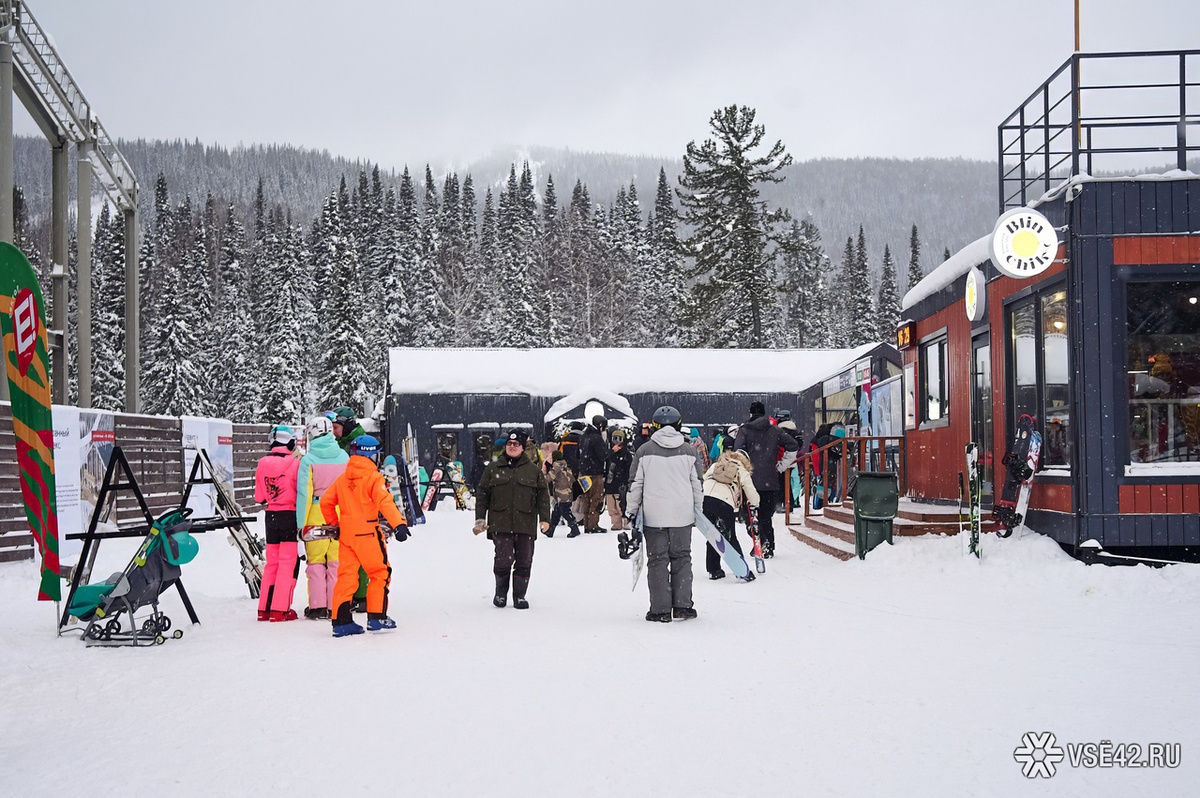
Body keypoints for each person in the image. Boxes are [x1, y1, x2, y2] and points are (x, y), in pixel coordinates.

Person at [320, 434, 407, 637]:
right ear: (371, 456)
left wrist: (334, 524)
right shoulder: (373, 478)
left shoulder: (342, 479)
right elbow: (384, 501)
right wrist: (399, 524)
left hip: (347, 535)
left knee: (346, 577)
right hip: (368, 533)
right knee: (379, 573)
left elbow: (325, 502)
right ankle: (377, 617)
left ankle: (341, 622)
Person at [625, 405, 703, 623]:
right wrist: (698, 511)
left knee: (657, 560)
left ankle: (659, 610)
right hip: (682, 515)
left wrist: (631, 511)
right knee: (682, 558)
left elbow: (636, 485)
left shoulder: (644, 451)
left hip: (654, 516)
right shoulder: (690, 451)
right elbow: (697, 484)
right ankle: (683, 606)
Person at [474, 430, 551, 609]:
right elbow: (482, 493)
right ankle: (500, 594)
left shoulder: (533, 470)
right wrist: (480, 518)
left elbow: (543, 496)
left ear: (523, 447)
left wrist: (545, 519)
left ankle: (519, 596)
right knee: (503, 559)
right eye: (509, 444)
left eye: (516, 444)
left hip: (526, 522)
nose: (512, 447)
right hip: (500, 522)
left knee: (525, 560)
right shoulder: (493, 468)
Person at [295, 416, 349, 620]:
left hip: (316, 512)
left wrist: (301, 525)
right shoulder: (344, 457)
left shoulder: (308, 461)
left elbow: (304, 495)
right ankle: (336, 604)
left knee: (316, 561)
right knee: (336, 560)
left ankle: (317, 607)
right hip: (338, 511)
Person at [734, 401, 799, 558]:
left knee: (749, 516)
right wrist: (781, 466)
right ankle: (768, 544)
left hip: (750, 481)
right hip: (771, 481)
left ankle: (762, 542)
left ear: (750, 414)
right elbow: (793, 445)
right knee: (765, 516)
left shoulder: (744, 431)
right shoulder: (774, 430)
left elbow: (737, 453)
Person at [254, 425, 301, 622]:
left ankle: (264, 609)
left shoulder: (262, 463)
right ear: (289, 442)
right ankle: (280, 610)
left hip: (270, 516)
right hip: (289, 515)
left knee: (271, 563)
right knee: (287, 563)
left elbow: (259, 497)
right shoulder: (295, 463)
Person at [331, 405, 369, 610]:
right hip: (349, 502)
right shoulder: (343, 442)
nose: (334, 432)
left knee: (359, 552)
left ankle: (361, 596)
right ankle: (357, 594)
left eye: (337, 427)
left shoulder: (357, 444)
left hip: (357, 503)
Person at [702, 449, 759, 580]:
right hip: (724, 502)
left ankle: (714, 569)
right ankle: (742, 569)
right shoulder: (741, 469)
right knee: (730, 536)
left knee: (712, 535)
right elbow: (750, 490)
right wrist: (755, 504)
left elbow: (704, 479)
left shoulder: (717, 464)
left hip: (706, 499)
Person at [578, 415, 609, 533]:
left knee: (586, 498)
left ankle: (586, 523)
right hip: (595, 473)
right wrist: (609, 451)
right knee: (596, 499)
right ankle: (593, 525)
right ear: (600, 426)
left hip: (583, 473)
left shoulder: (583, 437)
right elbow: (603, 456)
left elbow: (577, 455)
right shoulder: (596, 438)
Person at [545, 449, 582, 538]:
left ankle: (574, 529)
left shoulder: (556, 467)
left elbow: (548, 478)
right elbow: (572, 479)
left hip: (561, 494)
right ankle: (551, 530)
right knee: (556, 512)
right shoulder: (566, 466)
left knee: (565, 512)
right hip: (567, 493)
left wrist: (540, 478)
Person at [604, 428, 633, 531]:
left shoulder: (626, 454)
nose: (616, 441)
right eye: (614, 438)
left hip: (620, 483)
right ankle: (616, 523)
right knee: (611, 507)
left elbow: (629, 469)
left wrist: (626, 481)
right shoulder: (609, 453)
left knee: (622, 505)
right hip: (609, 483)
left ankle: (625, 522)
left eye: (619, 439)